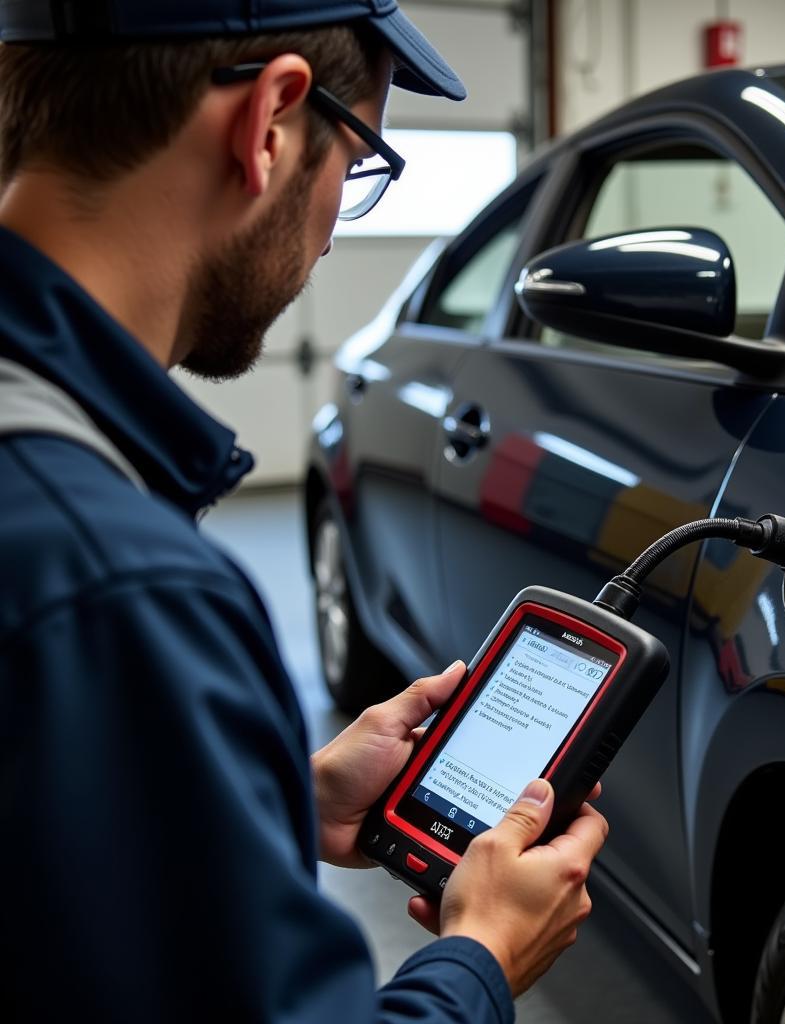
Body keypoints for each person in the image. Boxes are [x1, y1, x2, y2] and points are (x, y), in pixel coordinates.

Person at [0, 2, 608, 1021]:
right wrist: (480, 956)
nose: (331, 233)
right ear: (273, 122)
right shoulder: (116, 588)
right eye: (357, 162)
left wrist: (271, 786)